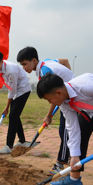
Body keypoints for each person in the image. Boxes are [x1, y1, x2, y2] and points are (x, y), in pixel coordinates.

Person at [17, 46, 75, 174]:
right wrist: (70, 81)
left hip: (71, 98)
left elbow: (53, 97)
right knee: (66, 132)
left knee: (65, 132)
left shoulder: (45, 72)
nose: (24, 68)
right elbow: (65, 61)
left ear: (34, 60)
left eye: (25, 64)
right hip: (65, 96)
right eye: (22, 65)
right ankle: (72, 155)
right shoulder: (47, 61)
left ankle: (60, 164)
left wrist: (49, 115)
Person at [0, 50, 31, 154]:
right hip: (17, 91)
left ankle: (9, 145)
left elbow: (12, 91)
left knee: (13, 116)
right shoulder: (3, 68)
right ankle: (22, 141)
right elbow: (11, 89)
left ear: (1, 61)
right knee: (14, 115)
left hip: (23, 90)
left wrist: (6, 107)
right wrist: (8, 107)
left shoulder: (10, 71)